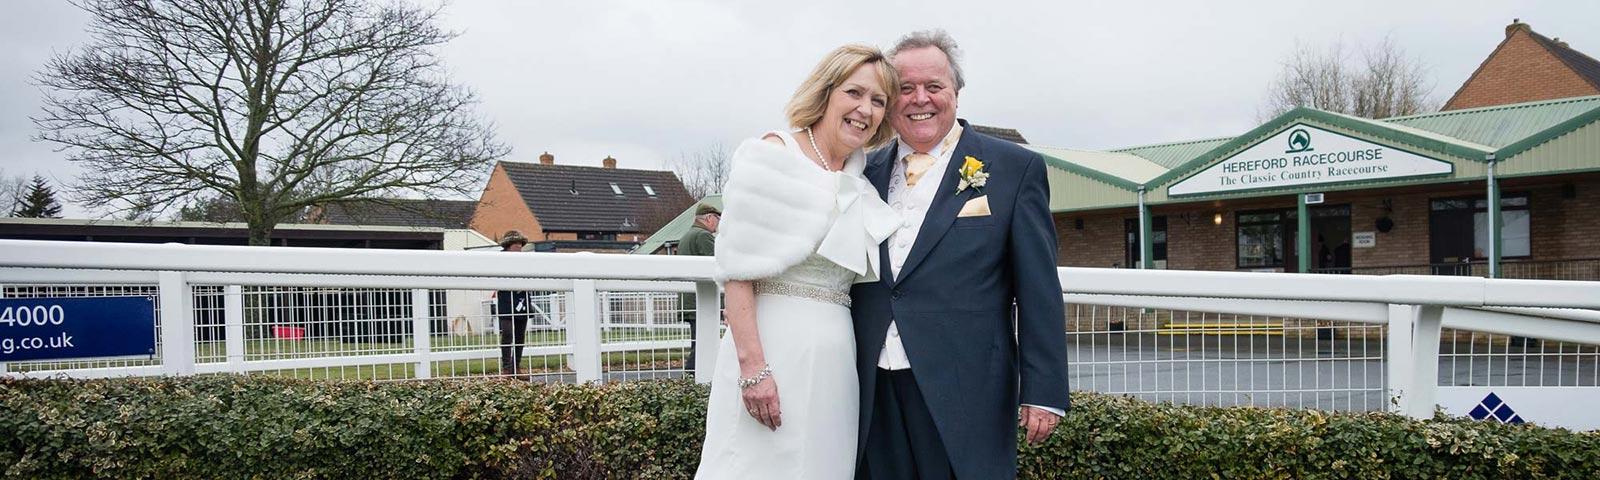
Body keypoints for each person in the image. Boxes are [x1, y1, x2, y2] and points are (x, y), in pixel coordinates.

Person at [851, 30, 1069, 479]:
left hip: (967, 388)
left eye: (934, 87)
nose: (920, 99)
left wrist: (1044, 390)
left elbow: (1038, 289)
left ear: (956, 93)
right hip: (872, 384)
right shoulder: (861, 171)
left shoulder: (1014, 168)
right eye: (906, 88)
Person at [695, 44, 900, 479]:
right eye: (854, 93)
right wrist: (753, 370)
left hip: (836, 357)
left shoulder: (862, 179)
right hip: (773, 350)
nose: (865, 109)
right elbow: (736, 272)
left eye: (878, 100)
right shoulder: (775, 153)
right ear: (826, 91)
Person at [677, 203, 719, 370]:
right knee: (702, 344)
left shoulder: (687, 235)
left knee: (698, 343)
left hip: (688, 301)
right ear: (709, 218)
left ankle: (691, 380)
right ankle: (691, 380)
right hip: (699, 301)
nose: (718, 224)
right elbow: (716, 265)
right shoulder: (703, 236)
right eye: (717, 218)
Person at [493, 230, 532, 376]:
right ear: (508, 246)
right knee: (508, 333)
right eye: (516, 245)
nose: (519, 248)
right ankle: (506, 368)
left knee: (520, 334)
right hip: (506, 299)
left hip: (522, 297)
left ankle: (516, 367)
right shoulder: (499, 260)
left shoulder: (526, 260)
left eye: (520, 245)